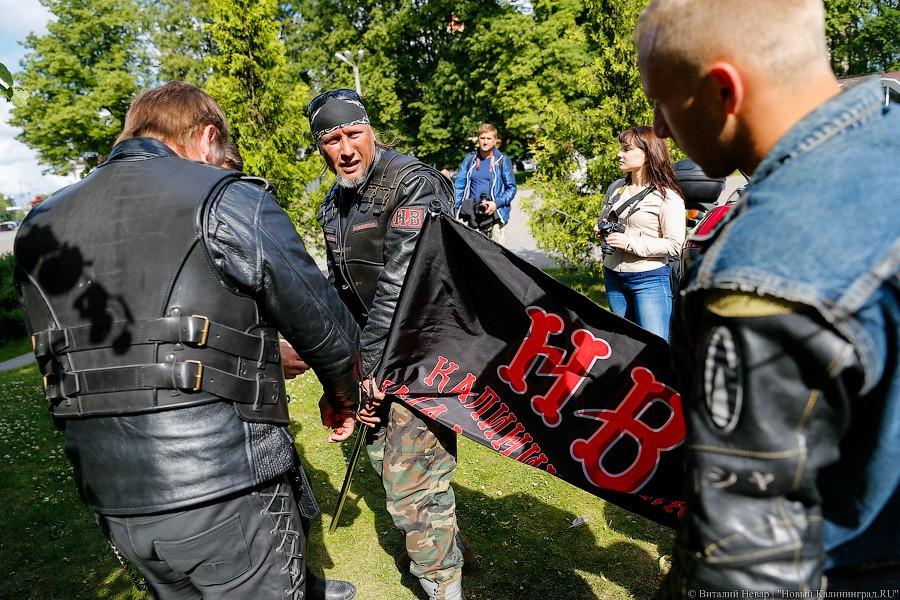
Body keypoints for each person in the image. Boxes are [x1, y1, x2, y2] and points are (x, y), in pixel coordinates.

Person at [14, 81, 360, 600]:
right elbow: (328, 331)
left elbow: (117, 346)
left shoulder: (39, 225)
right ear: (206, 137)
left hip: (110, 495)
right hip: (224, 488)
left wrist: (264, 354)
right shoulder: (225, 196)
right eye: (220, 153)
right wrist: (344, 397)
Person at [635, 0, 900, 594]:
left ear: (722, 90)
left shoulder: (762, 263)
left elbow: (749, 558)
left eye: (662, 101)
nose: (659, 129)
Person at [309, 88, 470, 600]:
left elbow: (406, 281)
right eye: (331, 140)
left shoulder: (413, 182)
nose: (346, 150)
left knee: (411, 481)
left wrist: (374, 367)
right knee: (390, 462)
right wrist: (343, 377)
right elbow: (341, 292)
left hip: (420, 354)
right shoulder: (333, 202)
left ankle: (442, 583)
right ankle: (443, 549)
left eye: (353, 134)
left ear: (370, 129)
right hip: (373, 356)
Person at [594, 126, 685, 341]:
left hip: (648, 280)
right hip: (613, 276)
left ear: (647, 154)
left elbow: (674, 245)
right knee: (624, 345)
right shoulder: (616, 188)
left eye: (626, 149)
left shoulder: (667, 197)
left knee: (655, 347)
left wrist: (629, 243)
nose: (619, 154)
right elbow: (607, 219)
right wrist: (603, 229)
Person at [453, 123, 517, 243]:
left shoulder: (502, 160)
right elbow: (459, 186)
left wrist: (496, 203)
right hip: (473, 215)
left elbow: (511, 189)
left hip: (496, 215)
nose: (485, 142)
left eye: (489, 138)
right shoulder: (470, 159)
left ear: (495, 140)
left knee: (496, 253)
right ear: (478, 139)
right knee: (471, 252)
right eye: (482, 138)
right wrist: (453, 211)